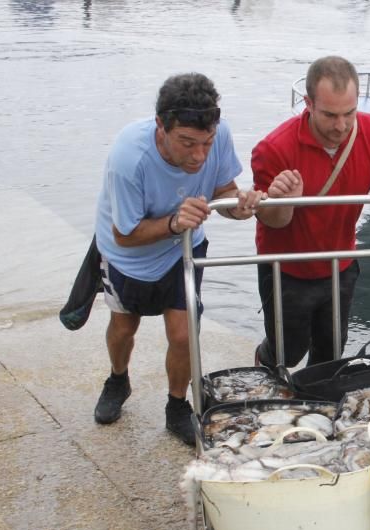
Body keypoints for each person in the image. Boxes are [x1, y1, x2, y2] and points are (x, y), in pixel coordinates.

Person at [92, 72, 264, 445]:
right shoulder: (129, 158)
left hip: (182, 248)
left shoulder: (217, 136)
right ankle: (117, 379)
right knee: (124, 328)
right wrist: (173, 222)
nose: (199, 155)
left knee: (184, 335)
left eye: (206, 142)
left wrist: (243, 206)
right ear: (161, 126)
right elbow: (125, 233)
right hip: (127, 256)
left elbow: (223, 192)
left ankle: (176, 406)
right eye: (187, 143)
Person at [251, 55, 370, 369]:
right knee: (287, 353)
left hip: (340, 262)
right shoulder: (274, 148)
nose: (341, 126)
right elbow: (272, 223)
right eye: (330, 115)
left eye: (349, 113)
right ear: (308, 103)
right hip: (286, 267)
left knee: (330, 354)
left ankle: (317, 407)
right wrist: (283, 201)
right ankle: (264, 360)